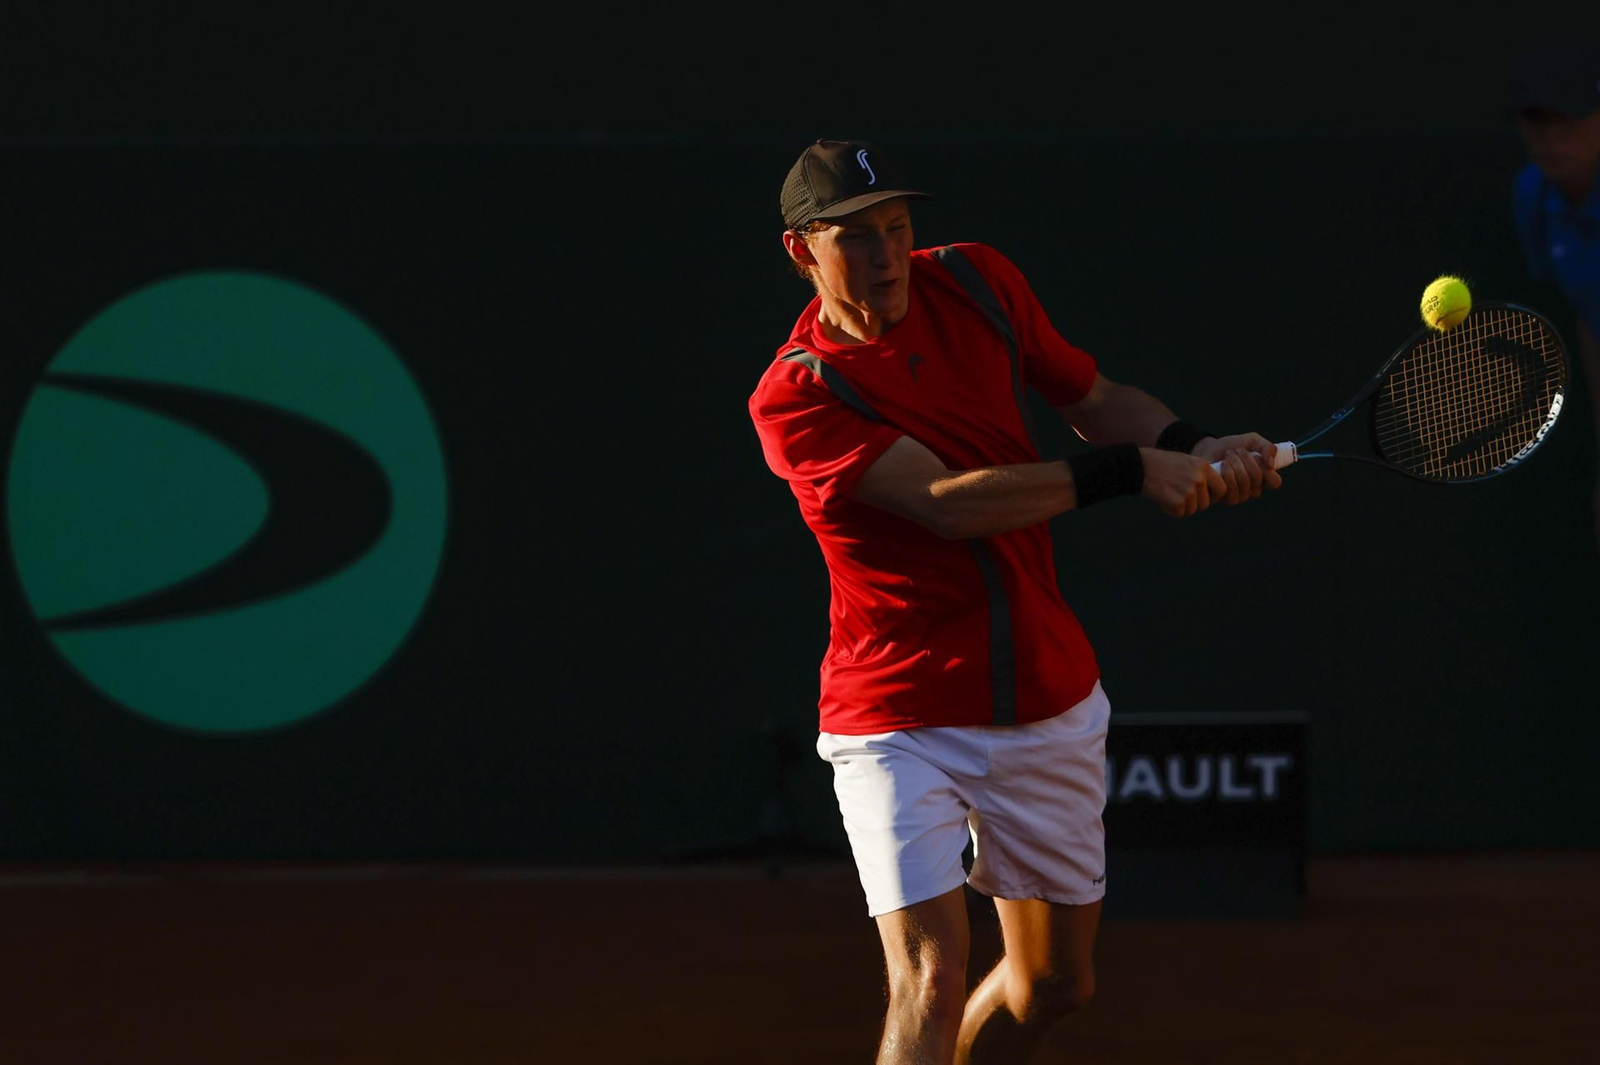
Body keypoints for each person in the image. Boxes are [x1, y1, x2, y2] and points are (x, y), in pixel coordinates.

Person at [746, 137, 1284, 1065]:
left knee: (1054, 984)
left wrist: (1191, 444)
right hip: (898, 710)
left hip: (1043, 687)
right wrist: (1130, 472)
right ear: (802, 250)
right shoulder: (799, 394)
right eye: (856, 238)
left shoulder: (978, 282)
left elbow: (1095, 396)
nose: (886, 255)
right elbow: (946, 503)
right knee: (929, 977)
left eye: (896, 227)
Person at [1511, 34, 1600, 554]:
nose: (1552, 139)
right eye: (1537, 122)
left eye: (1568, 120)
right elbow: (1591, 320)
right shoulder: (1534, 195)